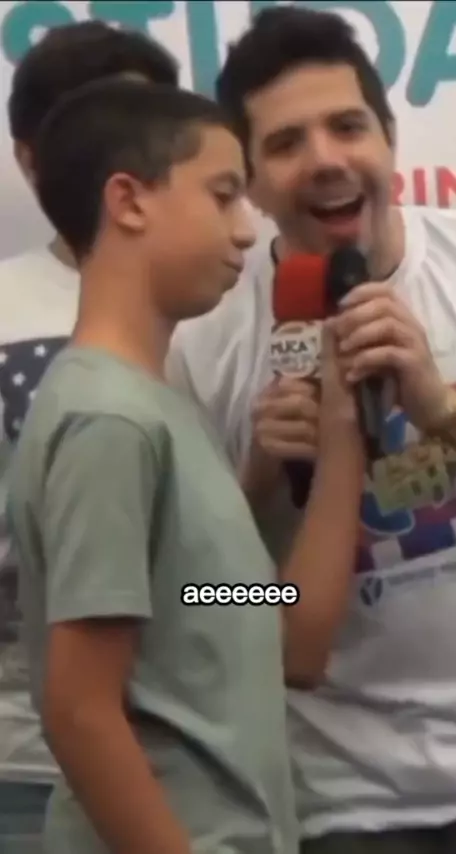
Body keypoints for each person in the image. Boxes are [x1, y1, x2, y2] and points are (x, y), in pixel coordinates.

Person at [6, 75, 366, 854]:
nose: (246, 232)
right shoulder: (109, 420)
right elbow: (81, 710)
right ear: (129, 201)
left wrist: (341, 425)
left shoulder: (162, 407)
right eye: (224, 195)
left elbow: (265, 625)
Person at [166, 6, 456, 854]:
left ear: (390, 140)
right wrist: (253, 490)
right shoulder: (201, 343)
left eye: (347, 127)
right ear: (251, 183)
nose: (326, 160)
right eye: (286, 143)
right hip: (341, 804)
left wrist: (446, 412)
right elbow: (198, 600)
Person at [0, 20, 178, 851]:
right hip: (30, 773)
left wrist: (261, 602)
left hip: (219, 762)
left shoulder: (225, 302)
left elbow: (226, 580)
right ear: (30, 158)